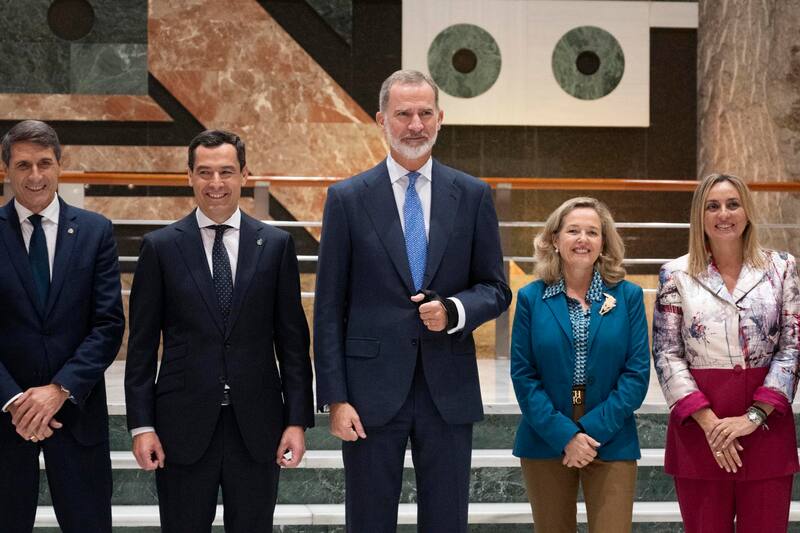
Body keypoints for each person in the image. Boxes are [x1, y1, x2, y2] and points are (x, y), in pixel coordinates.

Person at [313, 69, 511, 532]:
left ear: (441, 119)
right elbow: (328, 309)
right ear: (382, 120)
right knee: (368, 520)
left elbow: (495, 288)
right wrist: (336, 398)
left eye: (425, 113)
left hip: (448, 389)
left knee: (446, 521)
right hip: (369, 393)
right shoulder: (346, 199)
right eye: (404, 114)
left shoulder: (473, 195)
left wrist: (455, 311)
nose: (415, 124)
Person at [124, 129, 314, 533]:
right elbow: (141, 347)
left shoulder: (277, 245)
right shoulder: (160, 247)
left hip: (257, 426)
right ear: (189, 176)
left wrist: (296, 420)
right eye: (205, 172)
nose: (216, 184)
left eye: (226, 172)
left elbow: (293, 343)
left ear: (244, 174)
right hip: (182, 427)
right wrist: (142, 426)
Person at [653, 173, 800, 533]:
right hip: (700, 432)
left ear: (747, 211)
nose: (724, 214)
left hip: (766, 428)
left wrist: (753, 417)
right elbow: (666, 352)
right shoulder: (676, 273)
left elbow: (793, 346)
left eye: (733, 204)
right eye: (712, 206)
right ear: (699, 216)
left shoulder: (781, 268)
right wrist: (710, 424)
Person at [0, 120, 125, 533]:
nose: (35, 176)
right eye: (23, 165)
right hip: (5, 418)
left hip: (76, 414)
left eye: (43, 163)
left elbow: (108, 324)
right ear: (6, 170)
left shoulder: (95, 232)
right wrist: (16, 400)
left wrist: (59, 390)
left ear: (59, 165)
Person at [510, 197, 650, 532]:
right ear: (555, 240)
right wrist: (565, 435)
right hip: (546, 436)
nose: (582, 239)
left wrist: (587, 432)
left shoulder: (628, 296)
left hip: (611, 435)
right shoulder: (531, 297)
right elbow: (523, 374)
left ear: (604, 242)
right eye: (573, 230)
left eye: (592, 232)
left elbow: (637, 372)